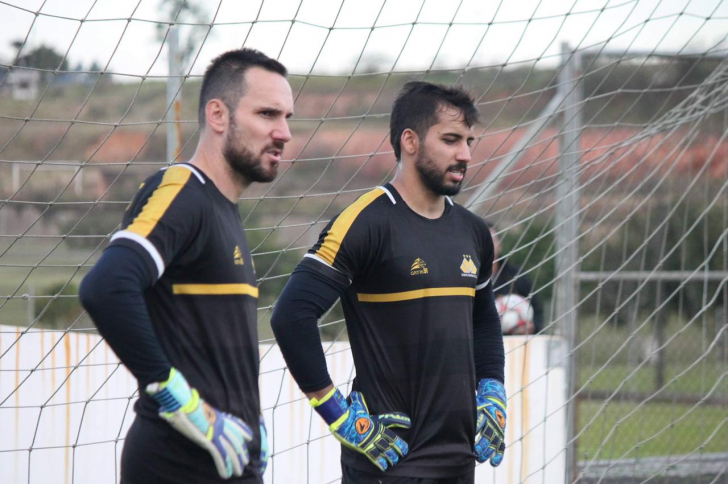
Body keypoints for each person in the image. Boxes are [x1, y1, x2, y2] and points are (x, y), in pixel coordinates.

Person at [271, 81, 507, 483]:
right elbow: (291, 316)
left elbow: (483, 319)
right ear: (410, 141)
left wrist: (493, 390)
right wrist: (339, 415)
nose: (465, 154)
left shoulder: (473, 231)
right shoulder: (364, 223)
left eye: (469, 141)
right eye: (450, 140)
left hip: (460, 457)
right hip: (388, 458)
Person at [79, 48, 294, 484]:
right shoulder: (183, 191)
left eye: (288, 117)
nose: (284, 132)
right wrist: (179, 400)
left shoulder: (224, 210)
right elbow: (106, 286)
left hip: (229, 459)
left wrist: (252, 418)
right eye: (268, 114)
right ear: (218, 115)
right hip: (175, 464)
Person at [489, 225, 545, 334]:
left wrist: (532, 327)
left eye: (492, 240)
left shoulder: (516, 276)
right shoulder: (465, 278)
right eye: (481, 240)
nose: (487, 245)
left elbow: (537, 312)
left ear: (500, 244)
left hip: (516, 343)